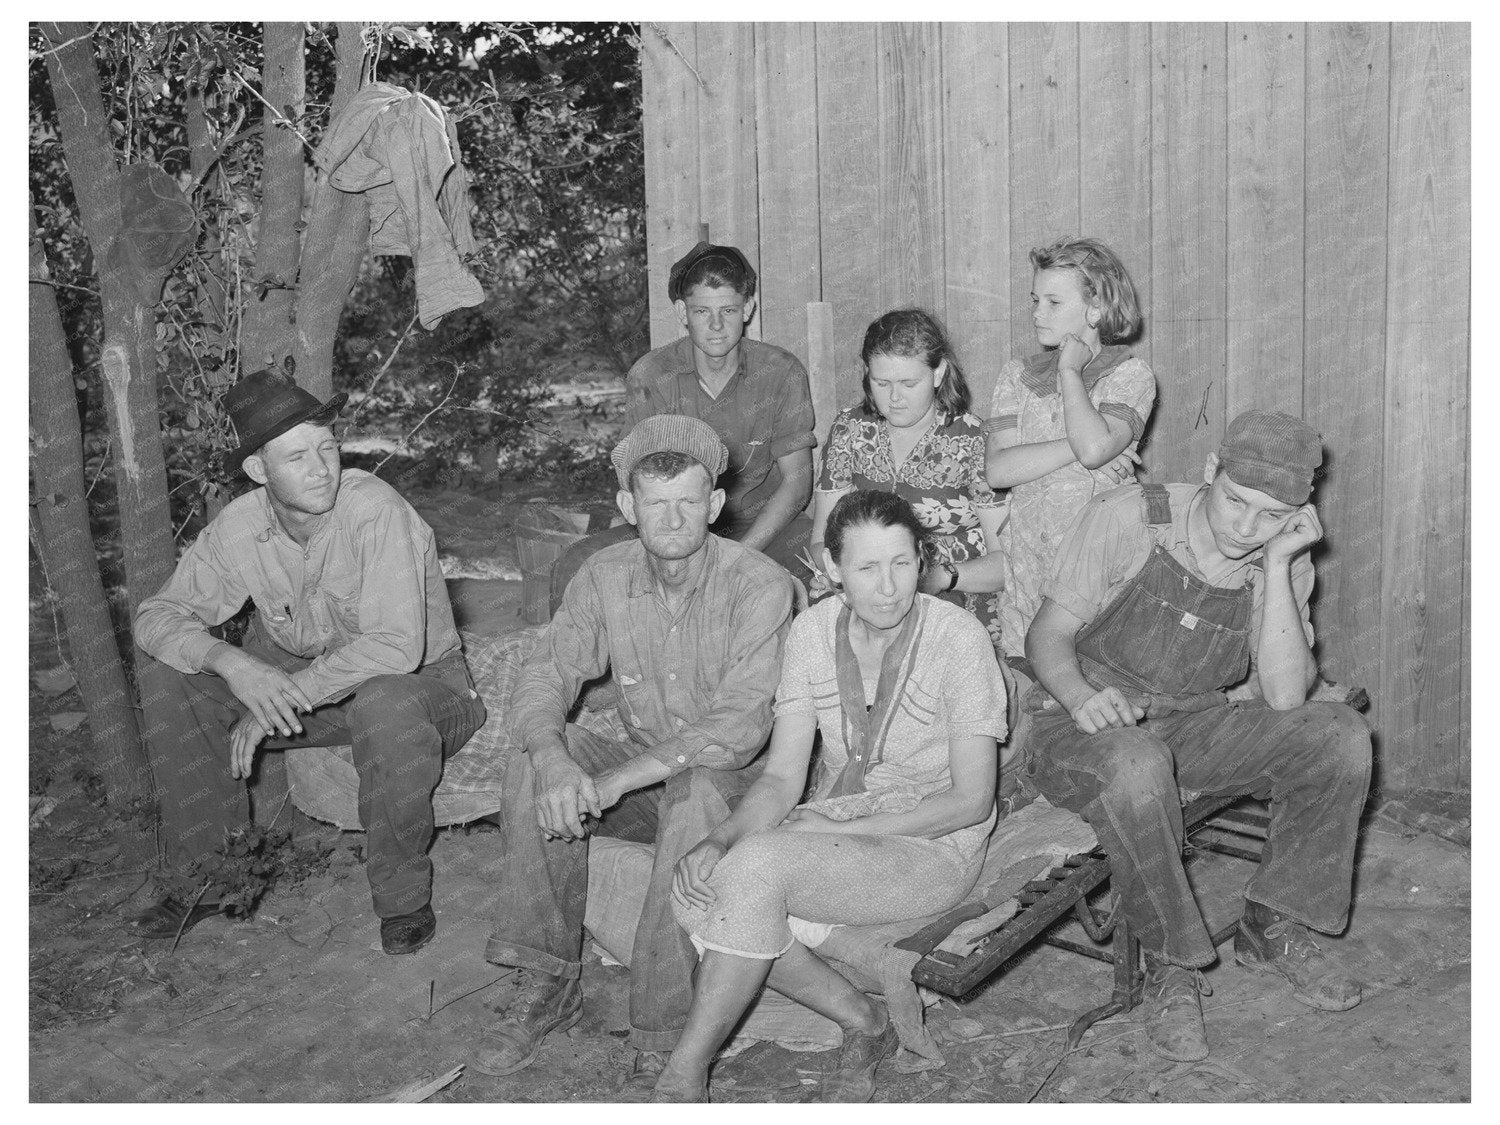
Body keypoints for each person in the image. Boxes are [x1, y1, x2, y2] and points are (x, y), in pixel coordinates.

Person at [1023, 410, 1372, 1063]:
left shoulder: (1280, 553)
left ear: (1297, 513)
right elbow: (1046, 635)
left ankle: (1272, 922)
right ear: (1211, 470)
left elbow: (1287, 696)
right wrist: (1079, 696)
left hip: (1194, 720)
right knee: (1135, 760)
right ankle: (1168, 963)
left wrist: (1278, 564)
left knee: (1338, 734)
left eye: (1270, 515)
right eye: (1235, 501)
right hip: (1079, 722)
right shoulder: (1129, 515)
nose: (1245, 525)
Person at [651, 490, 1007, 1103]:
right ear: (833, 569)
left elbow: (972, 801)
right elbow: (783, 779)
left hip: (935, 847)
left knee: (756, 871)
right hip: (839, 818)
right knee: (699, 889)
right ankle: (864, 1020)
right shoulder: (813, 632)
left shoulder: (959, 638)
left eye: (902, 562)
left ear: (921, 559)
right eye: (867, 567)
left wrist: (820, 836)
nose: (889, 586)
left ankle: (683, 1074)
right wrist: (718, 838)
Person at [476, 415, 796, 1092]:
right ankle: (546, 980)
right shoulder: (602, 573)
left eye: (689, 500)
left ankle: (664, 1025)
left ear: (715, 504)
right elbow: (542, 675)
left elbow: (736, 731)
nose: (674, 517)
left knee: (695, 793)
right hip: (648, 769)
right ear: (628, 507)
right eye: (656, 502)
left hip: (737, 787)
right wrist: (554, 756)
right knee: (530, 768)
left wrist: (617, 779)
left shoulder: (760, 583)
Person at [131, 369, 487, 955]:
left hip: (427, 691)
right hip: (324, 696)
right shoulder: (241, 526)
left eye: (327, 447)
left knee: (386, 698)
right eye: (297, 457)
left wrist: (280, 700)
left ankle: (402, 901)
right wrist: (230, 662)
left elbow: (396, 649)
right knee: (173, 674)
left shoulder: (376, 510)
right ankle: (210, 881)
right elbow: (156, 617)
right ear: (257, 471)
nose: (322, 468)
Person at [549, 242, 815, 609]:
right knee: (574, 567)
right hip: (673, 522)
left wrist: (734, 557)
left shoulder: (782, 372)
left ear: (748, 308)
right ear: (682, 311)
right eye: (702, 311)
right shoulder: (652, 374)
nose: (717, 325)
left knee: (823, 568)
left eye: (729, 310)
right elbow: (635, 480)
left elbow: (797, 483)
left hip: (758, 524)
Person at [985, 237, 1155, 659]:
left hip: (1099, 570)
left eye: (1054, 302)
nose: (1037, 313)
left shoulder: (1129, 375)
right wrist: (1081, 448)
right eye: (1035, 300)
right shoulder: (1016, 376)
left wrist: (1069, 372)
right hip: (1027, 570)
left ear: (1095, 309)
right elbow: (999, 471)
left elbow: (1096, 448)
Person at [810, 308, 1005, 643]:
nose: (894, 398)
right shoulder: (850, 430)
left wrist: (942, 577)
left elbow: (1007, 563)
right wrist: (840, 575)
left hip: (953, 594)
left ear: (939, 373)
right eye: (881, 383)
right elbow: (820, 541)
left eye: (908, 383)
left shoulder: (973, 439)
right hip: (865, 593)